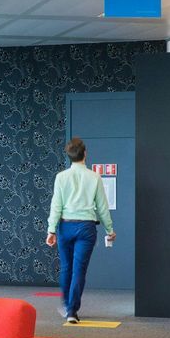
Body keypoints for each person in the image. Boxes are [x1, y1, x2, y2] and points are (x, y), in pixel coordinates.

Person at [45, 137, 115, 325]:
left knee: (66, 268)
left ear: (69, 156)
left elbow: (56, 205)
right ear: (85, 154)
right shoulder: (94, 177)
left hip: (65, 226)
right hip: (86, 227)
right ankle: (72, 311)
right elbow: (102, 207)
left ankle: (67, 304)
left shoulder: (61, 177)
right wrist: (110, 229)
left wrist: (51, 230)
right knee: (79, 270)